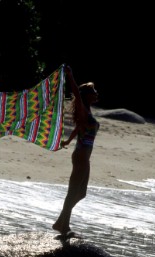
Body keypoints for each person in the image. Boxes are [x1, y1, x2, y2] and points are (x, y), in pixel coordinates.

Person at [52, 65, 99, 234]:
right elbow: (77, 95)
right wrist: (70, 76)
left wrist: (67, 141)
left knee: (81, 193)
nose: (96, 93)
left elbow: (79, 128)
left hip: (83, 156)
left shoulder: (86, 112)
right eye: (94, 91)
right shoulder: (82, 108)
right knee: (74, 192)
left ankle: (61, 221)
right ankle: (63, 225)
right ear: (87, 96)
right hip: (80, 156)